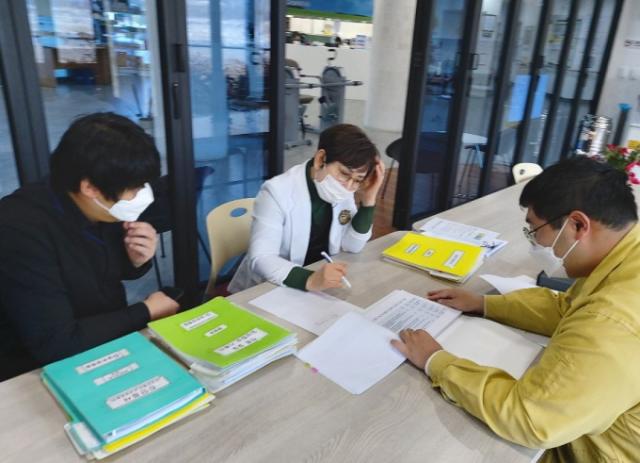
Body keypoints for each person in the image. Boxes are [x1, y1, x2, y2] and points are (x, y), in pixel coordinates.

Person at [391, 157, 640, 462]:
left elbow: (530, 419)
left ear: (577, 225)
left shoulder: (612, 319)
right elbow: (567, 308)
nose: (534, 243)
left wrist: (436, 361)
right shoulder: (627, 257)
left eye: (535, 230)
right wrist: (484, 304)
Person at [0, 113, 179, 381]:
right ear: (90, 188)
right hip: (35, 372)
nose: (141, 195)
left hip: (104, 342)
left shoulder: (99, 204)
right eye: (135, 188)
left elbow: (104, 271)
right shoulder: (19, 231)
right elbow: (57, 343)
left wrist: (135, 260)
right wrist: (146, 311)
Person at [229, 124, 385, 293]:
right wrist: (310, 279)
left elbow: (352, 246)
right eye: (344, 174)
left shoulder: (343, 190)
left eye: (357, 180)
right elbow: (262, 258)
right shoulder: (276, 192)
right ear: (320, 159)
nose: (348, 186)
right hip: (273, 285)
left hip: (320, 284)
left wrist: (369, 199)